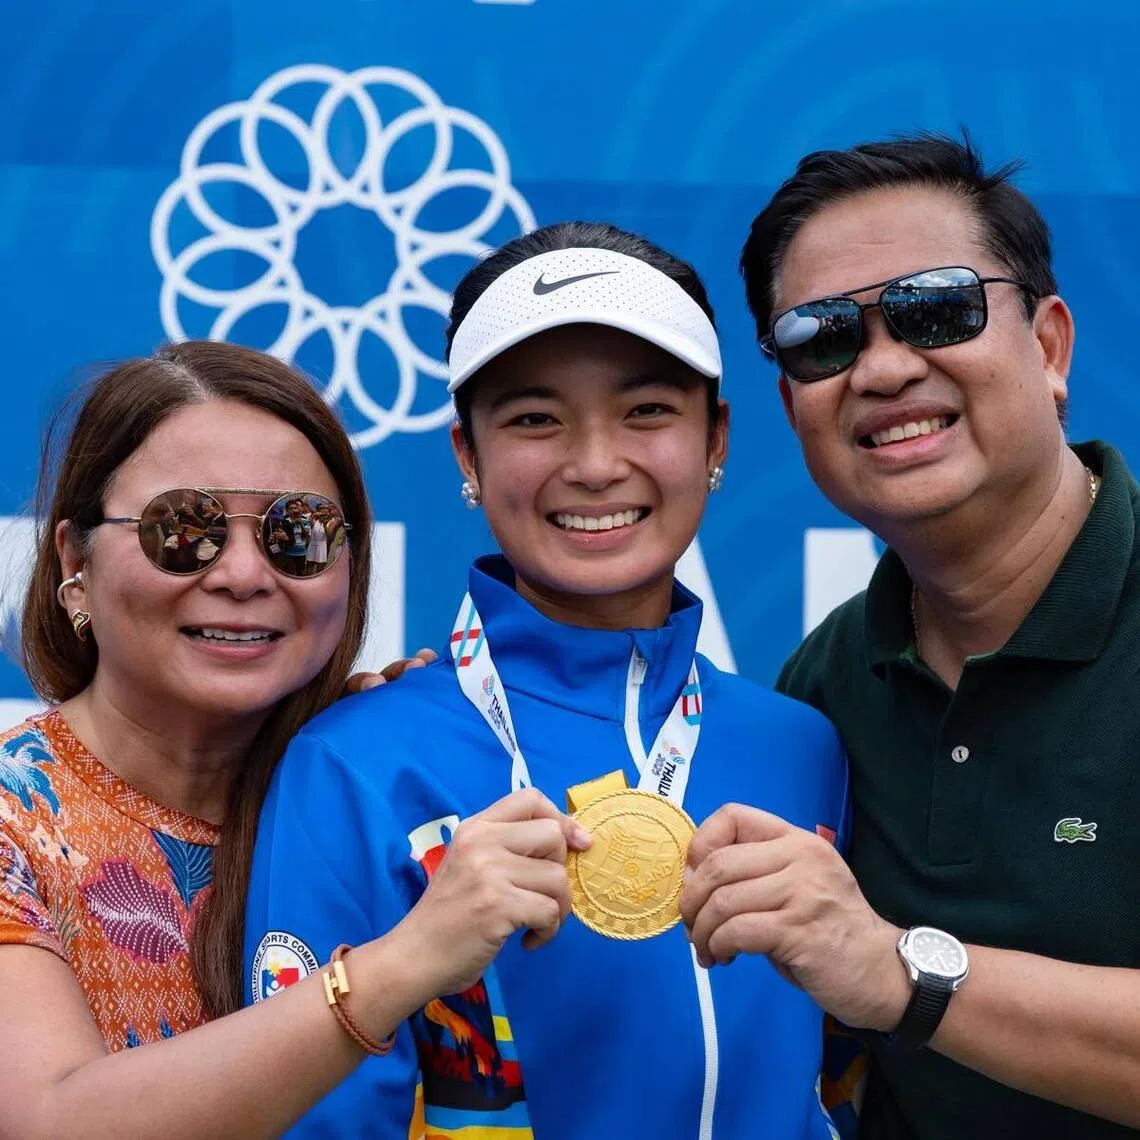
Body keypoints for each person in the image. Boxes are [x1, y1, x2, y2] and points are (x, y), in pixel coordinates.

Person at [244, 221, 851, 1138]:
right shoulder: (357, 762)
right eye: (535, 418)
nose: (596, 464)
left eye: (647, 410)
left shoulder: (802, 746)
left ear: (715, 438)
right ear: (467, 457)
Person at [0, 340, 582, 1140]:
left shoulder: (366, 791)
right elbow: (47, 1120)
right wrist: (401, 964)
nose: (243, 574)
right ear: (74, 560)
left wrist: (390, 751)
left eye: (295, 532)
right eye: (184, 528)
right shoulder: (14, 819)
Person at [680, 133, 1140, 1137]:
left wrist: (907, 976)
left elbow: (877, 974)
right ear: (791, 403)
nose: (884, 368)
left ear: (1050, 346)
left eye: (938, 309)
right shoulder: (826, 686)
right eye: (822, 337)